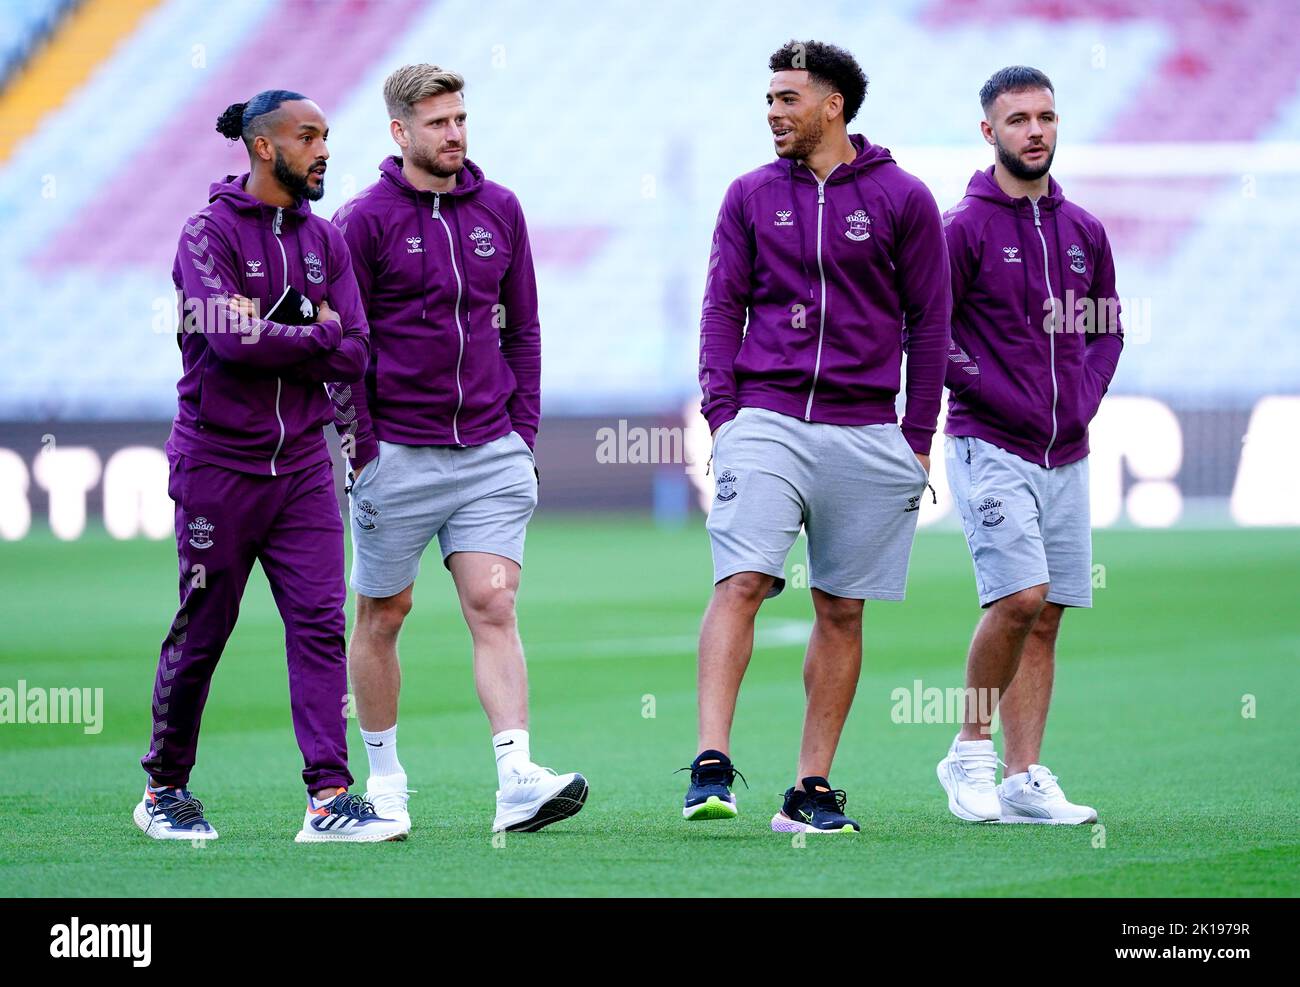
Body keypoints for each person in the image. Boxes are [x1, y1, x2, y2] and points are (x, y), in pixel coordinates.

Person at [684, 41, 950, 833]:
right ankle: (710, 763)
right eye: (768, 99)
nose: (772, 112)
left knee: (841, 609)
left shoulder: (904, 198)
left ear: (833, 104)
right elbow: (718, 308)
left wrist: (916, 436)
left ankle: (810, 789)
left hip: (868, 427)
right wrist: (723, 414)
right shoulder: (747, 196)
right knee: (742, 581)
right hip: (764, 418)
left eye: (787, 99)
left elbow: (929, 322)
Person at [136, 90, 406, 844]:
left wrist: (292, 333)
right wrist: (311, 332)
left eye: (326, 136)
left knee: (319, 625)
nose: (324, 149)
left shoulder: (326, 241)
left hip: (302, 468)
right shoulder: (205, 235)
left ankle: (328, 795)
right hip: (216, 466)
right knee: (204, 626)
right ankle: (164, 786)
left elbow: (358, 348)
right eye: (308, 136)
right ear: (263, 146)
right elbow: (231, 343)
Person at [330, 64, 586, 835]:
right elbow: (344, 344)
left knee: (494, 601)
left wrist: (524, 434)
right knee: (384, 612)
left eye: (461, 119)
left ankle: (516, 777)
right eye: (438, 122)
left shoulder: (500, 210)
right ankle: (384, 781)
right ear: (400, 131)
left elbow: (526, 328)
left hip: (490, 451)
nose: (454, 134)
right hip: (396, 454)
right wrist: (363, 446)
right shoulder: (361, 219)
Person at [936, 66, 1124, 825]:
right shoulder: (964, 227)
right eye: (1018, 119)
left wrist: (1081, 398)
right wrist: (993, 390)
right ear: (990, 132)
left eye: (1046, 116)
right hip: (991, 443)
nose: (1035, 130)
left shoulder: (1083, 231)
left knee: (1047, 614)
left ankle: (1023, 776)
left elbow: (1108, 328)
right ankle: (968, 750)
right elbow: (932, 335)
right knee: (1018, 597)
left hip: (1066, 451)